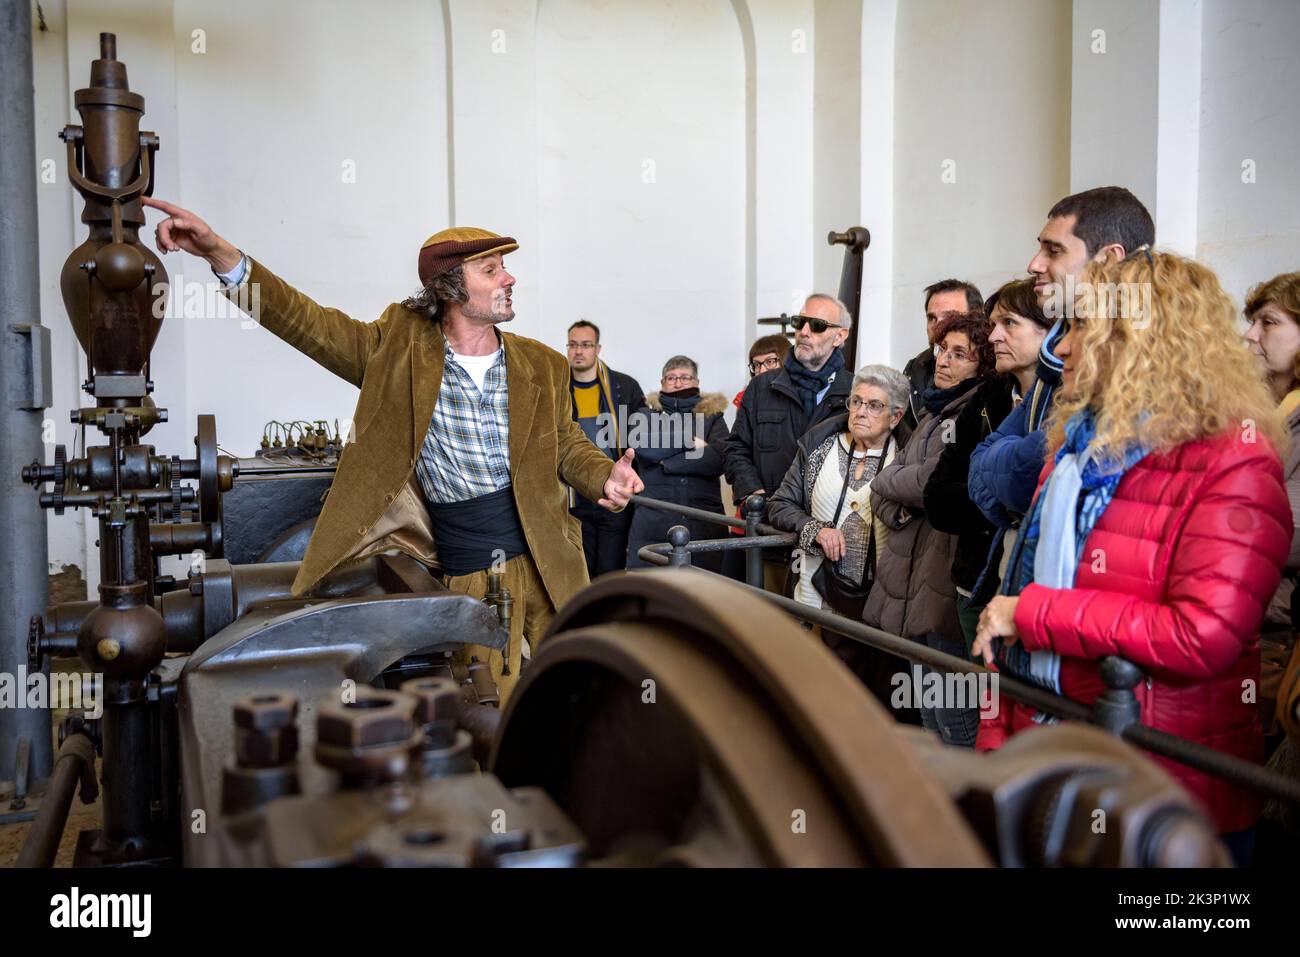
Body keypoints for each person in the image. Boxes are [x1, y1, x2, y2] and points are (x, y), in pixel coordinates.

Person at [141, 197, 643, 702]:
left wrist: (603, 476)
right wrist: (221, 255)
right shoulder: (396, 353)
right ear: (450, 286)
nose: (509, 279)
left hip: (553, 556)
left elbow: (565, 442)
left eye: (505, 268)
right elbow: (306, 323)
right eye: (491, 270)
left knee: (588, 689)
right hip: (471, 568)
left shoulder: (541, 362)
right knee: (493, 709)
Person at [973, 251, 1291, 863]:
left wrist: (1034, 615)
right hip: (1050, 756)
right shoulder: (1073, 448)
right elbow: (1011, 601)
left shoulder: (1234, 464)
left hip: (1162, 792)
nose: (1061, 351)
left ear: (1142, 337)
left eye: (1082, 328)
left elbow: (1201, 635)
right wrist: (998, 743)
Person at [968, 186, 1155, 583]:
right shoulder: (1059, 356)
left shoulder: (1154, 374)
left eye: (1054, 251)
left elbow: (1033, 477)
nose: (1034, 264)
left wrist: (1026, 466)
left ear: (1109, 259)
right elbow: (979, 465)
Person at [863, 314, 996, 745]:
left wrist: (890, 480)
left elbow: (921, 482)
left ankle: (959, 808)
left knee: (954, 720)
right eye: (943, 350)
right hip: (912, 580)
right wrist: (901, 508)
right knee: (927, 715)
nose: (944, 361)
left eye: (960, 354)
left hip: (942, 579)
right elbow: (891, 488)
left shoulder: (974, 413)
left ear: (982, 364)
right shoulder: (933, 413)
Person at [768, 364, 910, 706]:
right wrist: (814, 530)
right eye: (856, 401)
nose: (860, 411)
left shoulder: (906, 456)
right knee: (809, 689)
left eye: (874, 405)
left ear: (896, 416)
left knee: (870, 695)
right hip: (815, 589)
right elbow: (780, 504)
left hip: (879, 600)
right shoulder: (820, 447)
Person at [926, 280, 1050, 648]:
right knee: (980, 702)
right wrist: (1007, 505)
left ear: (1050, 331)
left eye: (1009, 324)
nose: (994, 336)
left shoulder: (1064, 403)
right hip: (975, 584)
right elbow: (937, 499)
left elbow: (1041, 495)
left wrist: (988, 487)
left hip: (1031, 593)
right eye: (994, 324)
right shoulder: (986, 398)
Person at [726, 294, 855, 592]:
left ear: (840, 336)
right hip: (770, 533)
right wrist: (752, 493)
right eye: (800, 323)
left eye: (818, 325)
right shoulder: (762, 387)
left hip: (830, 545)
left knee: (821, 633)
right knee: (765, 625)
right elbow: (736, 447)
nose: (804, 331)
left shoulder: (855, 394)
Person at [1244, 272, 1300, 735]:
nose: (1250, 335)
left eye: (1268, 322)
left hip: (1278, 635)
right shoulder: (1261, 410)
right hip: (1244, 625)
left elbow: (1287, 534)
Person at [625, 356, 729, 571]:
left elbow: (719, 457)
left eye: (685, 377)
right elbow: (642, 448)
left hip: (703, 518)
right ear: (662, 383)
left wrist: (665, 462)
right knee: (650, 590)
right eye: (671, 378)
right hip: (653, 520)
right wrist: (690, 441)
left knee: (706, 592)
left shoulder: (713, 417)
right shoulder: (645, 415)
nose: (678, 383)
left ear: (697, 383)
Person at [566, 320, 647, 578]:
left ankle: (609, 618)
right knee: (578, 572)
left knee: (610, 572)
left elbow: (642, 434)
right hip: (572, 498)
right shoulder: (556, 389)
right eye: (573, 344)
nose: (579, 351)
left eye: (586, 345)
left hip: (614, 495)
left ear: (598, 348)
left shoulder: (624, 388)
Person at [902, 280, 983, 429]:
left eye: (950, 317)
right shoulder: (915, 369)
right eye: (932, 318)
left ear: (975, 320)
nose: (938, 325)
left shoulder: (995, 378)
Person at [733, 333, 792, 409]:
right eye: (756, 364)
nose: (761, 370)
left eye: (770, 362)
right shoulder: (747, 398)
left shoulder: (804, 396)